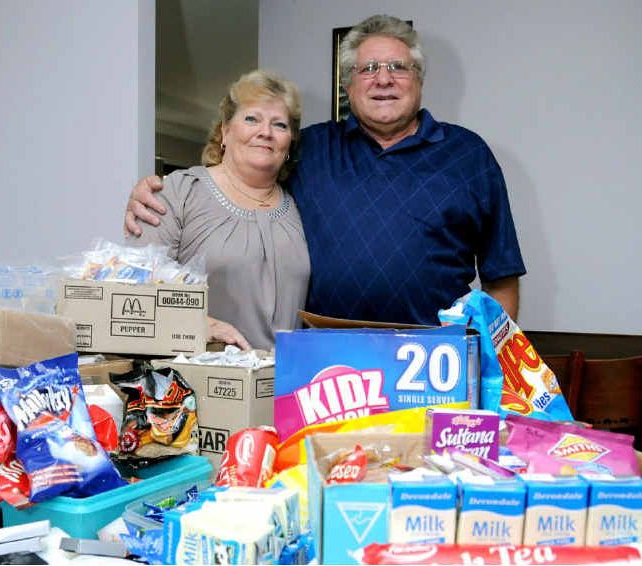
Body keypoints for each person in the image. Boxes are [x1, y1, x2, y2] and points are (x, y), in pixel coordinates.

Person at [127, 15, 525, 325]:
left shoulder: (469, 156)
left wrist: (492, 363)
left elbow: (501, 279)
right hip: (324, 366)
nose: (383, 78)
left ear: (419, 79)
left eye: (397, 67)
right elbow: (244, 176)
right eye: (368, 69)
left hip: (434, 364)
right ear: (348, 85)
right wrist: (162, 190)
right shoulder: (311, 147)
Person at [127, 69, 309, 350]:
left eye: (280, 125)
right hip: (202, 379)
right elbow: (132, 287)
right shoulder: (180, 192)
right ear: (225, 131)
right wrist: (203, 324)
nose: (266, 132)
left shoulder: (300, 202)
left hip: (288, 385)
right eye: (252, 119)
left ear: (289, 144)